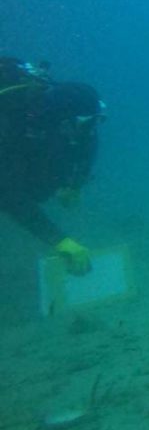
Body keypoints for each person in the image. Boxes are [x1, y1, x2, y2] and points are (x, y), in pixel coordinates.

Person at [0, 57, 105, 274]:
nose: (87, 129)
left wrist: (75, 184)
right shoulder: (14, 125)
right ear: (64, 119)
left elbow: (88, 141)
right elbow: (9, 196)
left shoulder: (70, 119)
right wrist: (59, 241)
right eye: (82, 122)